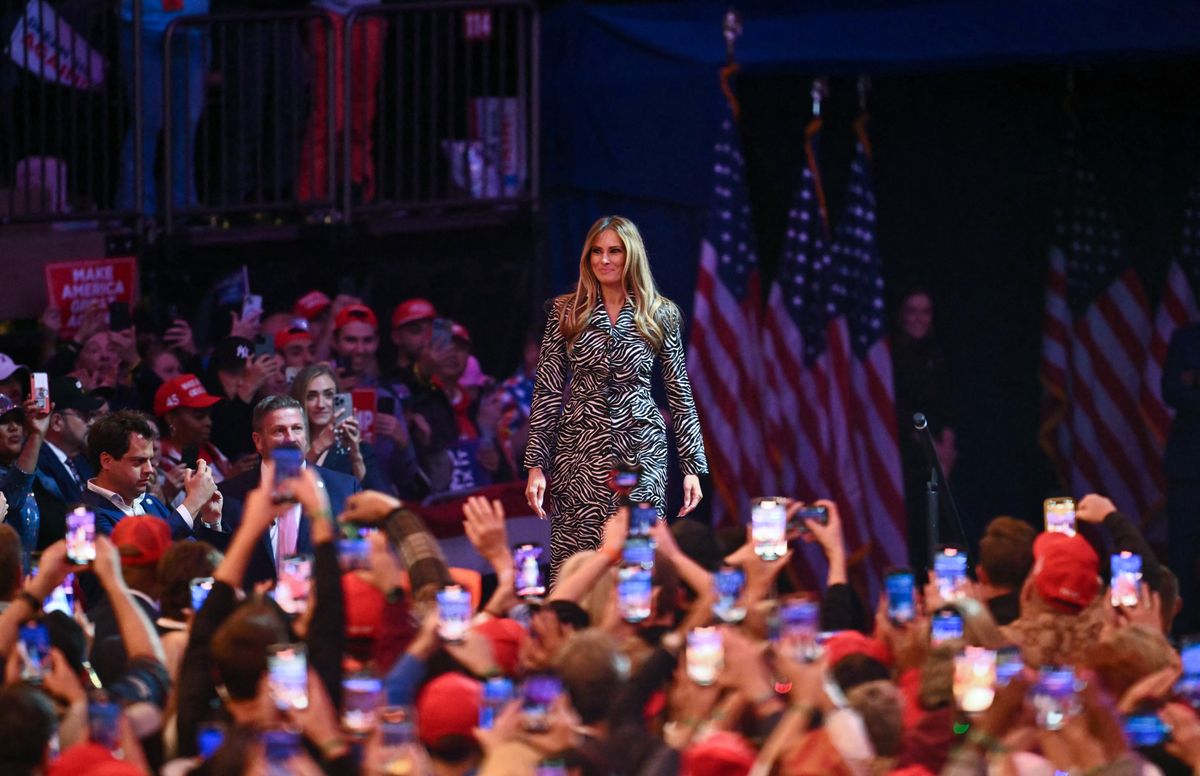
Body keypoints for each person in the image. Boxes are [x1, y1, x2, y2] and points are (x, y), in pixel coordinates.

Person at [524, 215, 707, 574]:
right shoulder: (566, 312)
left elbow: (679, 392)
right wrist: (535, 465)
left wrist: (692, 467)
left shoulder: (660, 313)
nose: (604, 260)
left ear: (631, 256)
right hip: (579, 449)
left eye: (614, 251)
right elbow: (547, 390)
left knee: (637, 558)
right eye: (596, 251)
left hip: (642, 450)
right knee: (578, 562)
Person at [193, 395, 359, 587]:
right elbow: (215, 564)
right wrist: (213, 524)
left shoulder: (344, 488)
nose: (290, 438)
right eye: (279, 430)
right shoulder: (228, 495)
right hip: (254, 611)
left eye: (297, 428)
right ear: (258, 441)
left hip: (320, 609)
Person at [891, 286, 957, 574]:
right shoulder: (892, 356)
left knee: (944, 529)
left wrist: (948, 450)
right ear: (902, 315)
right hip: (906, 456)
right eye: (912, 311)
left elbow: (949, 405)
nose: (919, 318)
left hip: (942, 455)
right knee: (915, 528)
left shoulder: (941, 354)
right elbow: (902, 409)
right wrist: (930, 446)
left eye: (925, 312)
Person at [82, 410, 222, 539]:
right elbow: (138, 552)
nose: (149, 469)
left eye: (150, 459)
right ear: (107, 461)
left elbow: (190, 551)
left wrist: (211, 521)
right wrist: (195, 500)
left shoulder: (149, 502)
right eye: (138, 461)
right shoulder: (86, 516)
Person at [290, 363, 389, 491]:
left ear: (339, 398)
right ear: (300, 400)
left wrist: (356, 456)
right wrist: (317, 448)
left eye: (328, 395)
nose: (321, 404)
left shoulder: (361, 450)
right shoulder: (288, 446)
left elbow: (373, 498)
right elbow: (288, 490)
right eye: (311, 396)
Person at [33, 377, 102, 550]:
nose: (90, 422)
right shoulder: (37, 462)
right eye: (82, 415)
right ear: (57, 422)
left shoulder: (81, 460)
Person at [1163, 321, 1200, 633]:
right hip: (1189, 469)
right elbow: (1172, 390)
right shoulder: (1186, 338)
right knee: (1183, 558)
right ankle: (1183, 631)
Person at [153, 375, 231, 504]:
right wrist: (230, 481)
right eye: (199, 416)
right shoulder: (161, 461)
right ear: (171, 419)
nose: (209, 422)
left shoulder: (211, 450)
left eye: (209, 415)